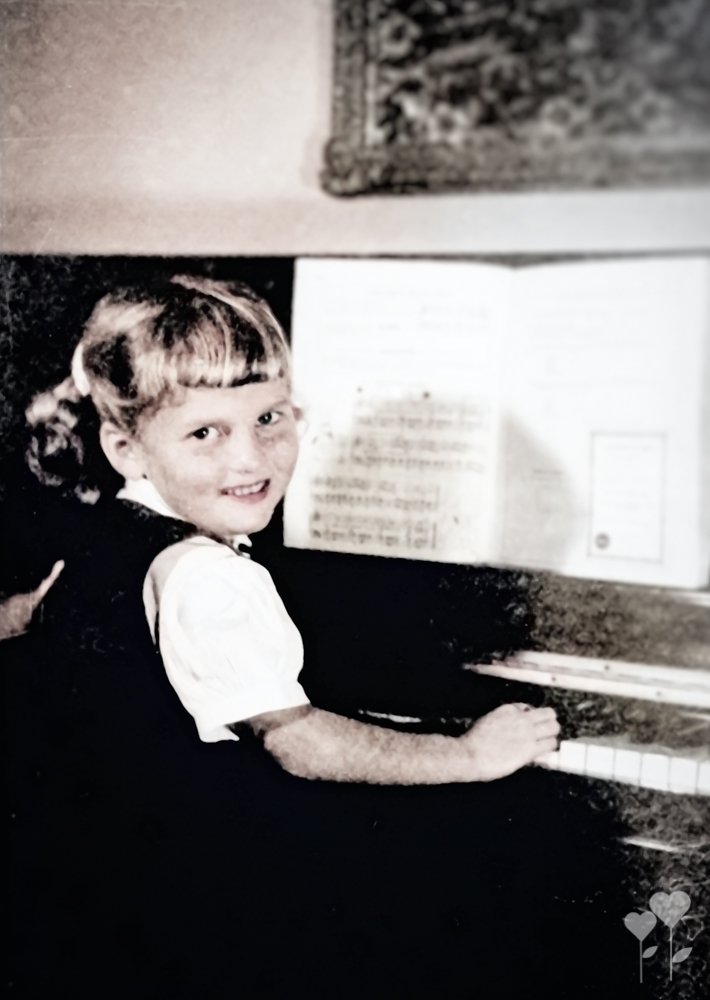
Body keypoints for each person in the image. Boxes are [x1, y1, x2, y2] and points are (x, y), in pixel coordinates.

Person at [7, 275, 624, 998]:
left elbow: (28, 613)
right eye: (207, 433)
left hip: (110, 878)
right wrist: (468, 753)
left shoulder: (96, 538)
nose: (252, 459)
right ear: (128, 449)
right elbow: (298, 743)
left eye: (271, 418)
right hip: (202, 909)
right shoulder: (209, 577)